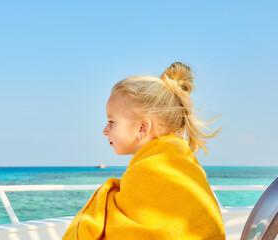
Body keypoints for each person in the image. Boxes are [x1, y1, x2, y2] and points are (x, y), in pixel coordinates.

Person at [63, 62, 226, 239]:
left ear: (142, 127)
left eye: (111, 122)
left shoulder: (149, 169)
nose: (105, 130)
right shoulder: (183, 159)